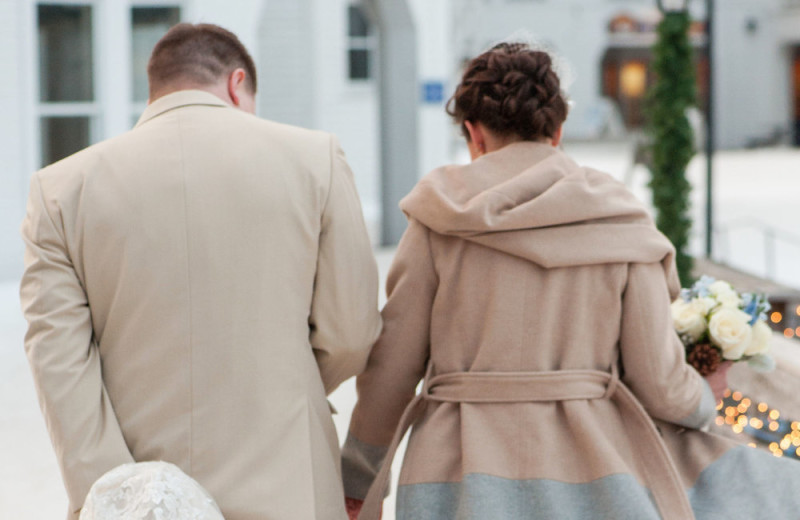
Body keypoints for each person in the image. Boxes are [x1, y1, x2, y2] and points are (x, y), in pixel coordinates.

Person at [341, 42, 800, 520]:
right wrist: (705, 398)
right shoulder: (622, 221)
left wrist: (358, 475)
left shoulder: (435, 220)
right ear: (557, 131)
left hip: (455, 472)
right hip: (597, 471)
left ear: (473, 134)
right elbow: (659, 383)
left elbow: (391, 368)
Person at [20, 23, 381, 520]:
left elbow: (58, 365)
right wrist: (281, 385)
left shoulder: (60, 189)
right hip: (289, 481)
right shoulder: (316, 159)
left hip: (137, 494)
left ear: (156, 89)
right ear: (237, 84)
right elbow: (351, 333)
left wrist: (111, 492)